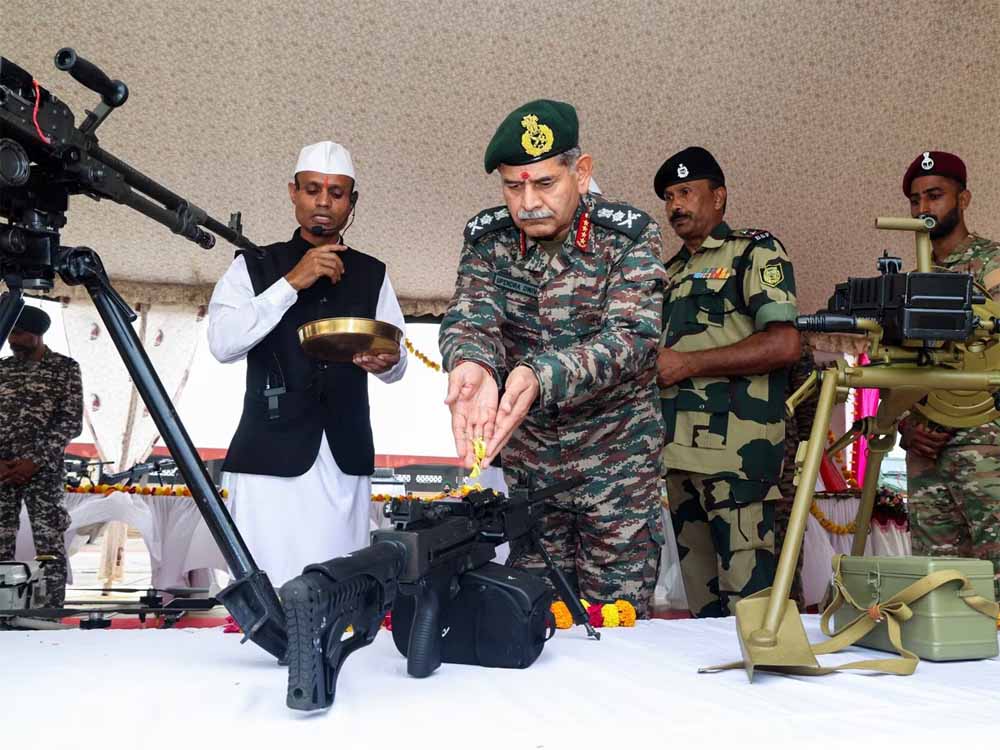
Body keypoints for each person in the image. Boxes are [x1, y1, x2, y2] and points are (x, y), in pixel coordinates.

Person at [439, 99, 666, 616]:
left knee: (617, 621)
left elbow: (633, 338)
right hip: (533, 471)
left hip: (617, 467)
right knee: (532, 616)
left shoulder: (627, 236)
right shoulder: (488, 240)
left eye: (544, 183)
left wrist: (541, 373)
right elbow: (471, 316)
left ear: (580, 173)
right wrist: (472, 362)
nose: (528, 202)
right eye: (512, 187)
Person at [208, 141, 407, 587]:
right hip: (267, 457)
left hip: (343, 457)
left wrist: (388, 362)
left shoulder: (373, 273)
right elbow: (222, 343)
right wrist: (291, 283)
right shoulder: (253, 266)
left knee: (338, 588)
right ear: (293, 193)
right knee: (266, 585)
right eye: (313, 189)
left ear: (351, 202)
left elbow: (397, 359)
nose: (323, 202)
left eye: (336, 193)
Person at [655, 146, 801, 617]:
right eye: (669, 197)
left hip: (737, 456)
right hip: (678, 456)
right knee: (703, 609)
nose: (675, 205)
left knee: (750, 603)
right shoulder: (668, 273)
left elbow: (784, 344)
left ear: (718, 197)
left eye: (686, 192)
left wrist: (689, 364)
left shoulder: (753, 252)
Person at [898, 150, 1000, 598]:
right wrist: (905, 425)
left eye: (935, 195)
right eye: (915, 199)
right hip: (927, 449)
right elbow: (897, 369)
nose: (924, 208)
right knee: (936, 583)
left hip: (985, 445)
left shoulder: (991, 265)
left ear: (964, 199)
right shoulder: (910, 283)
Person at [0, 305, 83, 606]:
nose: (12, 340)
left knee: (49, 542)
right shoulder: (2, 369)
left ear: (37, 334)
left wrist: (34, 461)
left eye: (19, 334)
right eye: (10, 333)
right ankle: (3, 605)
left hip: (44, 471)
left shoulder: (65, 368)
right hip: (2, 470)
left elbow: (71, 422)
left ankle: (50, 609)